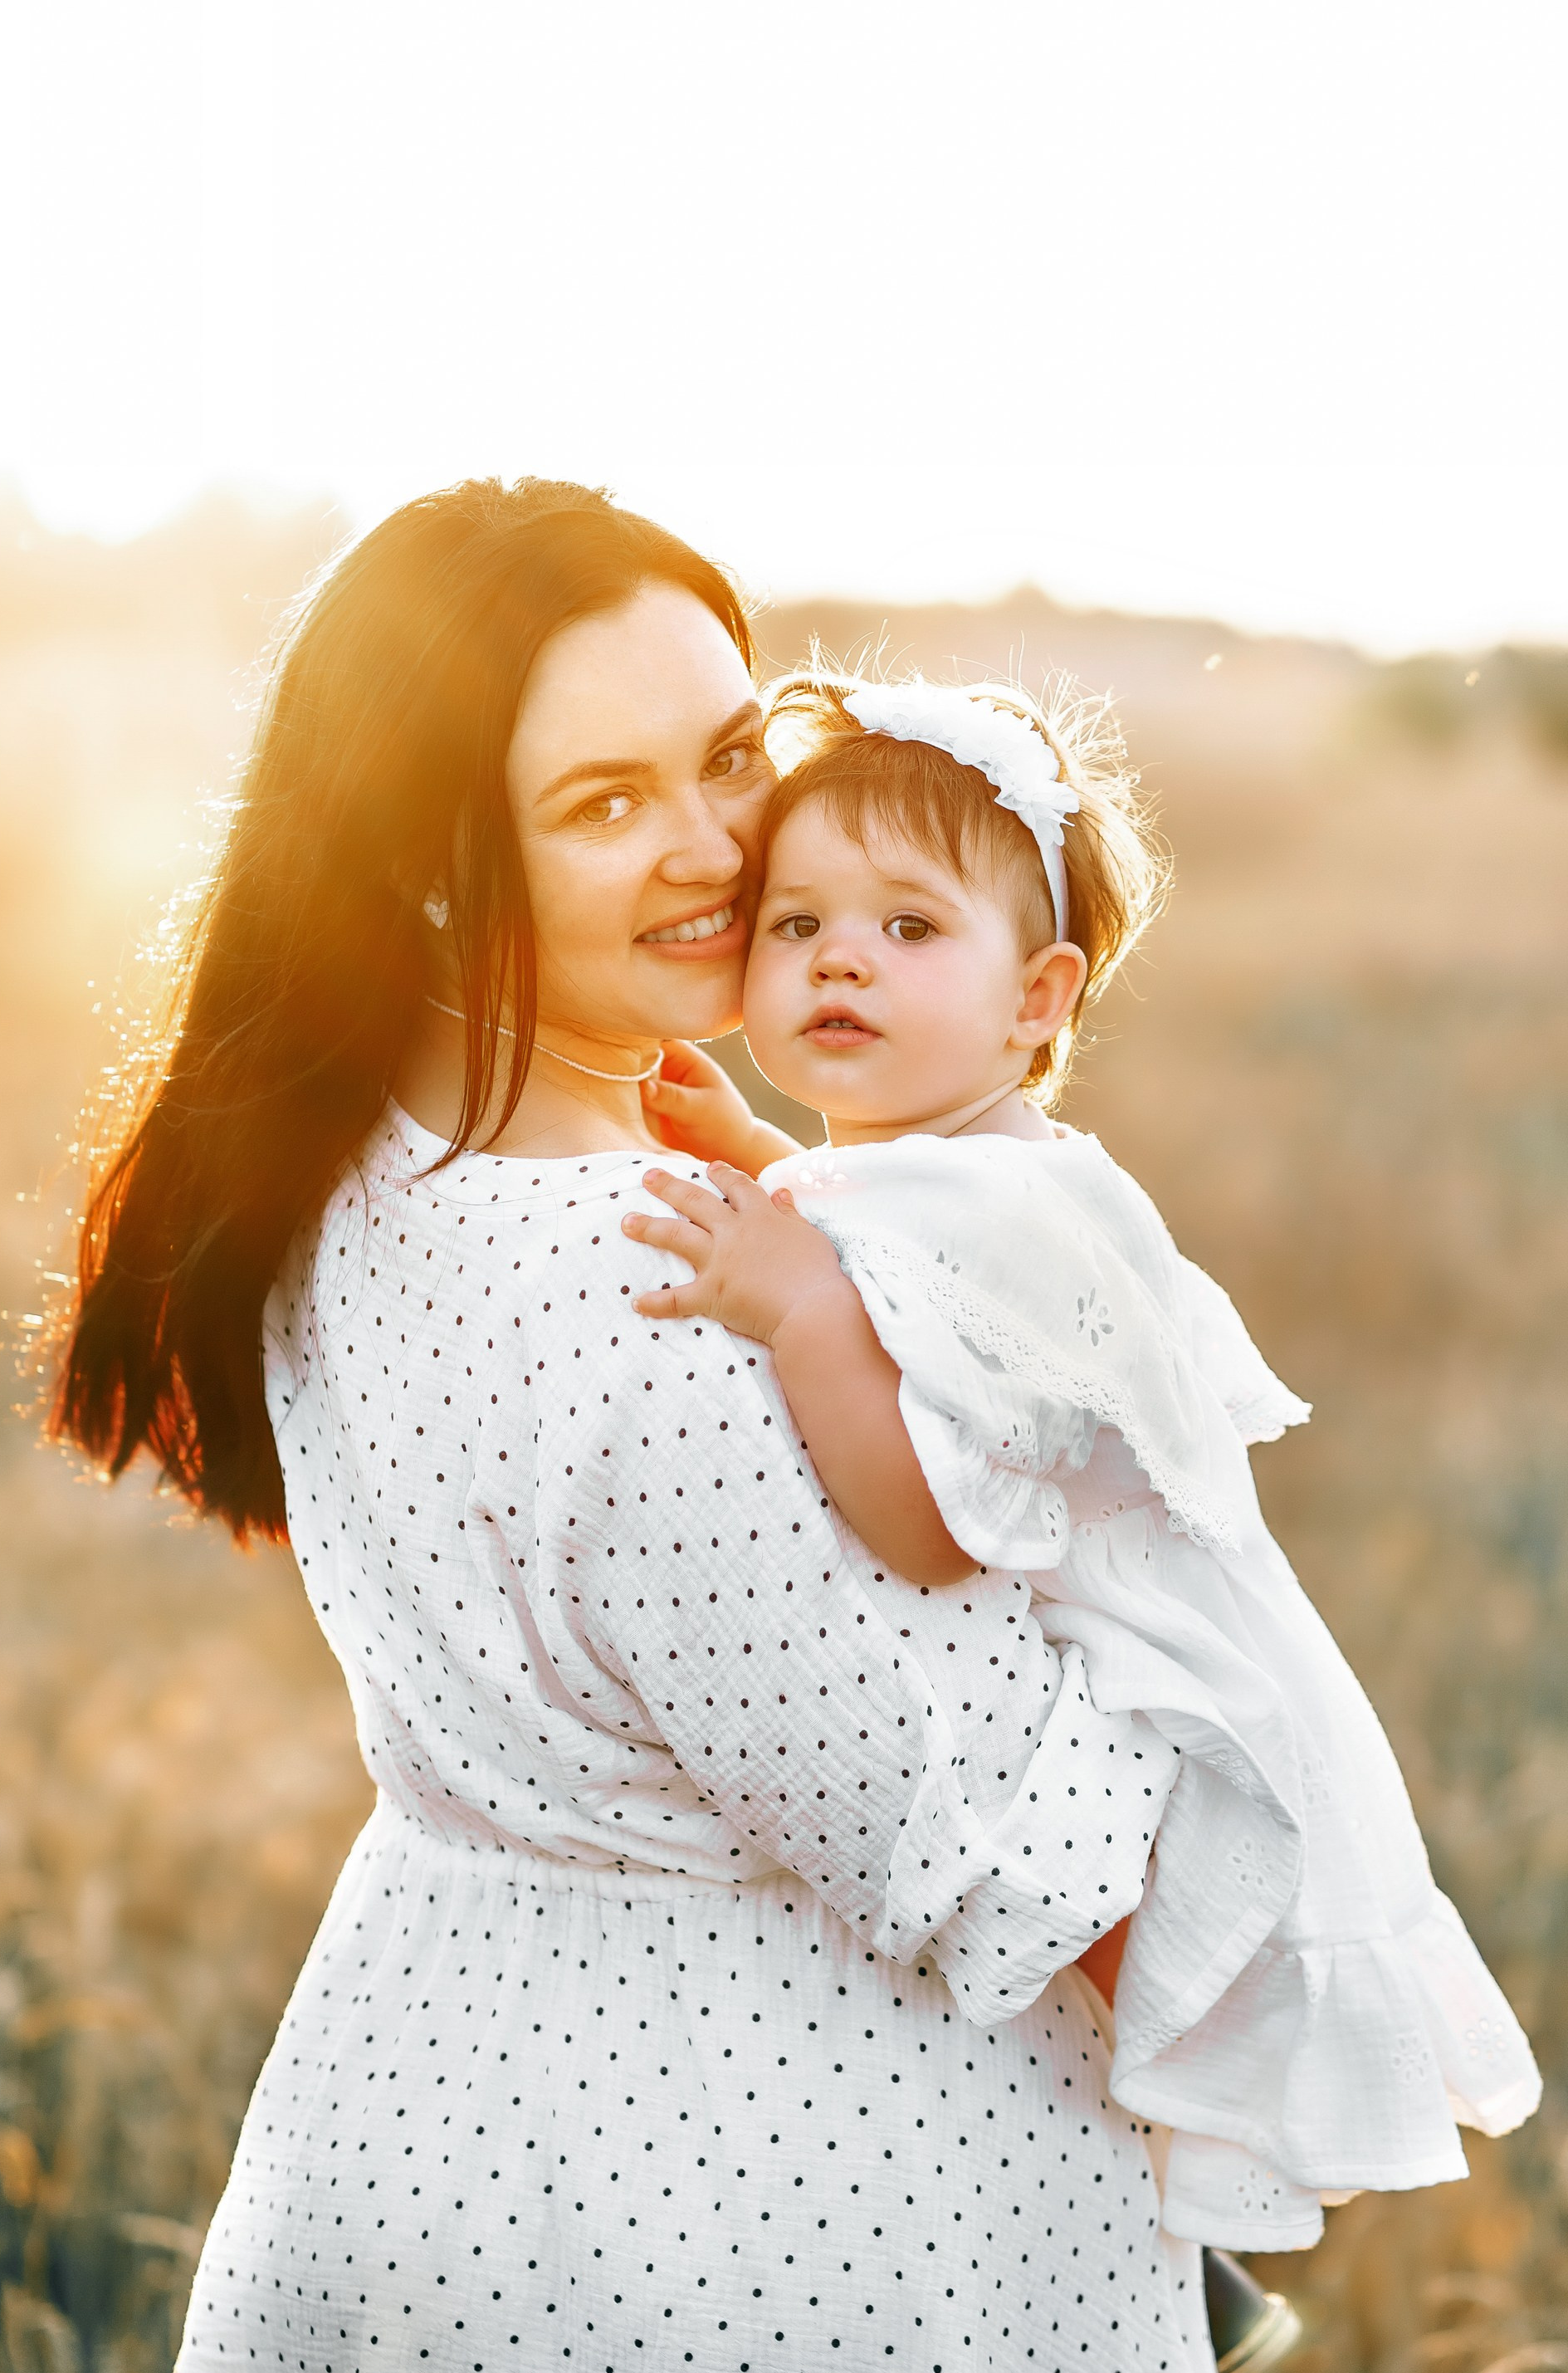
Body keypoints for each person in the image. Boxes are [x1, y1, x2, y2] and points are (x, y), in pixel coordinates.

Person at [52, 482, 1267, 2373]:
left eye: (726, 758)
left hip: (441, 2106)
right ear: (435, 868)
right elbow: (985, 1843)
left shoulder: (365, 1176)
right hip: (774, 2228)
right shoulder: (654, 1301)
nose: (716, 851)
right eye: (603, 804)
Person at [620, 669, 1541, 2262]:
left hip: (1139, 1736)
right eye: (797, 924)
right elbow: (895, 1254)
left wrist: (796, 1305)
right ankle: (1195, 2285)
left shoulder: (970, 1220)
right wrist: (776, 1177)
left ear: (1038, 1001)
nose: (841, 955)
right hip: (1142, 1695)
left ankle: (1198, 2283)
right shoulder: (972, 1176)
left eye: (911, 929)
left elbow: (921, 1531)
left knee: (1143, 2059)